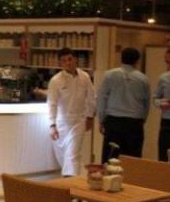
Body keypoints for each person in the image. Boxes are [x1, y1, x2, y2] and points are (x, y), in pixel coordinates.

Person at [47, 48, 96, 176]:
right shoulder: (55, 80)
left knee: (72, 153)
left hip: (79, 120)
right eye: (64, 61)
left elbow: (91, 97)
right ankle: (78, 180)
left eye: (70, 59)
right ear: (60, 63)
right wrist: (52, 125)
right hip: (62, 122)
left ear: (76, 60)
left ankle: (69, 184)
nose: (67, 63)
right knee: (64, 157)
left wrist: (90, 116)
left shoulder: (85, 77)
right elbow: (52, 103)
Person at [97, 47, 150, 160]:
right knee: (132, 159)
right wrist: (143, 120)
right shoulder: (143, 79)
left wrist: (101, 120)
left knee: (111, 156)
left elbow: (102, 98)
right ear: (137, 61)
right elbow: (146, 103)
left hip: (113, 121)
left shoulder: (109, 75)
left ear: (121, 58)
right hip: (134, 123)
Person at [154, 48, 170, 162]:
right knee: (163, 157)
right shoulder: (164, 78)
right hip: (167, 122)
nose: (168, 66)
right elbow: (155, 98)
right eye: (166, 62)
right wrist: (161, 103)